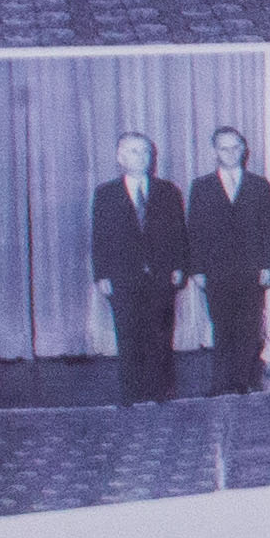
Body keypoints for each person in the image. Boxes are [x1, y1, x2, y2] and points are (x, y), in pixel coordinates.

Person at [86, 129, 185, 403]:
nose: (140, 157)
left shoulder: (167, 191)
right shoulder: (106, 194)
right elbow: (100, 237)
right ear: (119, 157)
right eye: (133, 151)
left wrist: (179, 266)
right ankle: (132, 392)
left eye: (145, 151)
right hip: (122, 276)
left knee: (160, 335)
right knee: (128, 334)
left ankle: (161, 392)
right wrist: (102, 274)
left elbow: (178, 232)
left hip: (161, 275)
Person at [187, 121, 270, 396]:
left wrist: (268, 265)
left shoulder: (260, 186)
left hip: (251, 269)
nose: (230, 153)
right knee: (222, 327)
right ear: (215, 152)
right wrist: (197, 269)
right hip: (216, 271)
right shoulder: (201, 187)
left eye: (235, 147)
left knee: (249, 328)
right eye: (223, 149)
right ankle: (221, 382)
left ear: (244, 149)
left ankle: (244, 381)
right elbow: (195, 231)